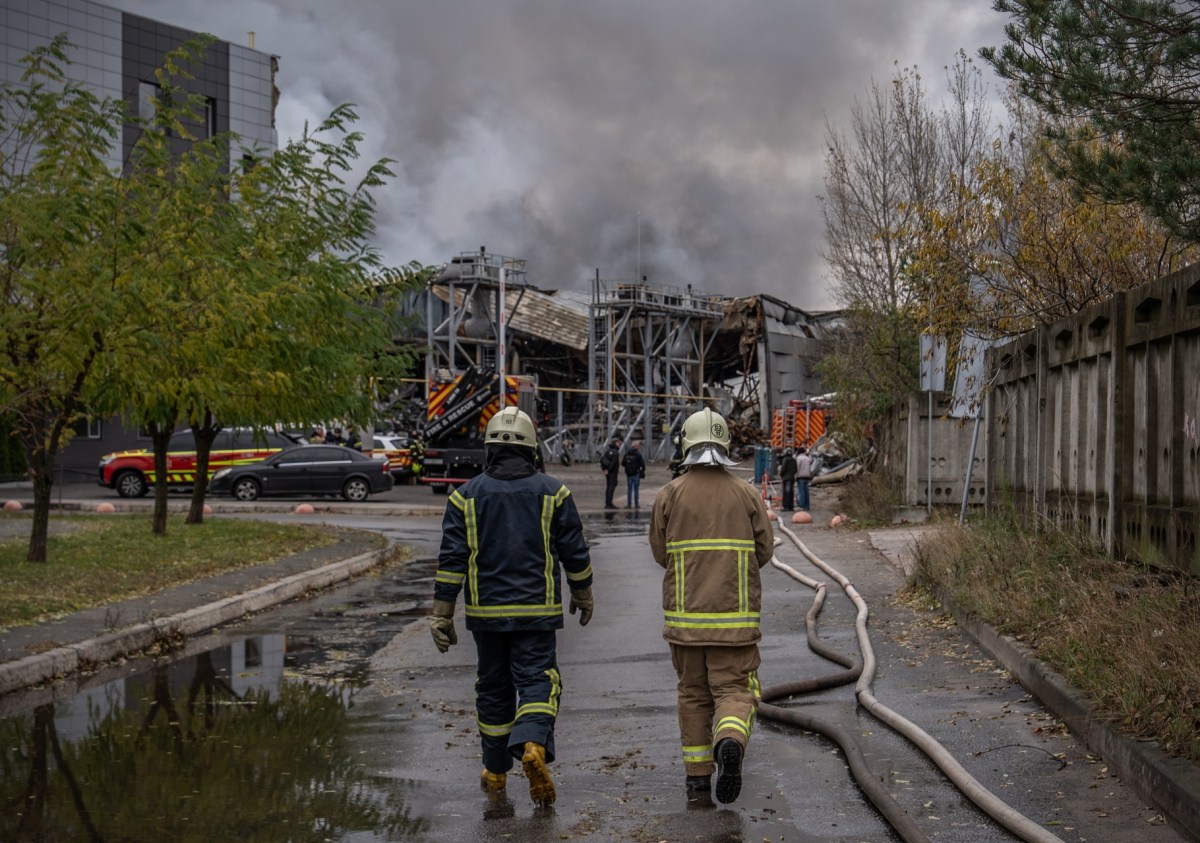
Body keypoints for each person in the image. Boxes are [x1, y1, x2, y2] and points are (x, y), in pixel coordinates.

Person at [429, 406, 594, 809]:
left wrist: (441, 613)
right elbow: (574, 551)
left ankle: (496, 770)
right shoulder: (554, 493)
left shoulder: (463, 497)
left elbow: (451, 560)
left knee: (493, 689)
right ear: (532, 448)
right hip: (536, 612)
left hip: (485, 617)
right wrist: (583, 593)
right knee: (539, 681)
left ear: (489, 449)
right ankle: (533, 743)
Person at [648, 408, 773, 806]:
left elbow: (659, 553)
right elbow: (764, 551)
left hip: (684, 625)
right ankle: (730, 739)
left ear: (685, 443)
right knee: (734, 691)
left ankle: (698, 778)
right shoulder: (746, 493)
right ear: (724, 444)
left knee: (692, 695)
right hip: (735, 625)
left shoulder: (669, 495)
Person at [599, 436, 622, 509]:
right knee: (611, 487)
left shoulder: (608, 451)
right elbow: (613, 463)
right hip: (613, 472)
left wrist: (604, 469)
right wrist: (609, 469)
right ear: (615, 443)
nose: (619, 444)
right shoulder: (615, 452)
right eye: (618, 443)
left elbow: (602, 460)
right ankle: (609, 503)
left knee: (608, 487)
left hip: (607, 472)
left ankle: (607, 502)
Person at [623, 440, 646, 508]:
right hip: (636, 473)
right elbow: (642, 464)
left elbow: (623, 463)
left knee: (629, 490)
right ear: (636, 446)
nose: (639, 446)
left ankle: (629, 504)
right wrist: (642, 470)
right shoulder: (638, 454)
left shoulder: (627, 453)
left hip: (629, 474)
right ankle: (636, 504)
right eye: (638, 445)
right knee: (636, 490)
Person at [795, 446, 814, 511]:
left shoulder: (798, 458)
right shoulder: (807, 458)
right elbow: (811, 462)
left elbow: (797, 468)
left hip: (800, 476)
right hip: (807, 476)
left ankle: (802, 505)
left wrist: (795, 476)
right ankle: (807, 506)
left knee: (801, 491)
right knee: (806, 491)